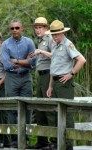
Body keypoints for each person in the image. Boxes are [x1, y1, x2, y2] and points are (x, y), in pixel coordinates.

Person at [46, 20, 86, 150]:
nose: (55, 37)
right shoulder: (55, 45)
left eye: (57, 34)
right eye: (53, 35)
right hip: (55, 82)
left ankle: (68, 145)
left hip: (64, 83)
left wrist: (71, 74)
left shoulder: (68, 44)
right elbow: (54, 67)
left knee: (66, 114)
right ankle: (59, 143)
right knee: (56, 114)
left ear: (63, 33)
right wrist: (50, 86)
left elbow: (81, 60)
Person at [0, 19, 36, 148]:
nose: (14, 30)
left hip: (26, 78)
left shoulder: (29, 42)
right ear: (10, 30)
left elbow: (33, 62)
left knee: (27, 107)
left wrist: (16, 61)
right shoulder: (5, 44)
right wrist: (24, 61)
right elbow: (6, 64)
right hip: (11, 78)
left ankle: (25, 139)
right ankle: (15, 140)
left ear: (22, 29)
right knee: (11, 108)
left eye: (17, 28)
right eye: (12, 28)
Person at [32, 17, 52, 149]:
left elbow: (55, 55)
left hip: (48, 75)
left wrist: (41, 51)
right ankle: (42, 141)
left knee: (50, 109)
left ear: (46, 28)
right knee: (39, 109)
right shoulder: (40, 40)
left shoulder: (50, 38)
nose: (38, 30)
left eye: (40, 27)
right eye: (36, 27)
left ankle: (56, 141)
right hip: (40, 76)